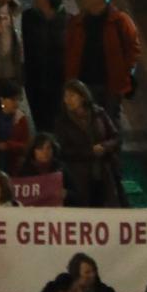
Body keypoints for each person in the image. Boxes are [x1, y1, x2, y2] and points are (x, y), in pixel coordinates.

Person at [63, 0, 139, 122]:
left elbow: (133, 48)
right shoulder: (78, 22)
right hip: (84, 83)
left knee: (110, 121)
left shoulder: (120, 21)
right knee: (87, 121)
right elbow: (69, 49)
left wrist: (125, 73)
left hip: (110, 84)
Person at [56, 78, 123, 206]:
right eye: (65, 96)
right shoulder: (62, 122)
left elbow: (116, 137)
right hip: (79, 177)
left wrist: (104, 147)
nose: (67, 100)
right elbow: (63, 150)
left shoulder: (99, 113)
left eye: (72, 96)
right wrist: (89, 151)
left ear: (82, 97)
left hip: (104, 174)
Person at [22, 0, 67, 133]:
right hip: (35, 78)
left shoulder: (65, 20)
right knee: (40, 121)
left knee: (56, 119)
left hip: (57, 79)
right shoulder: (29, 17)